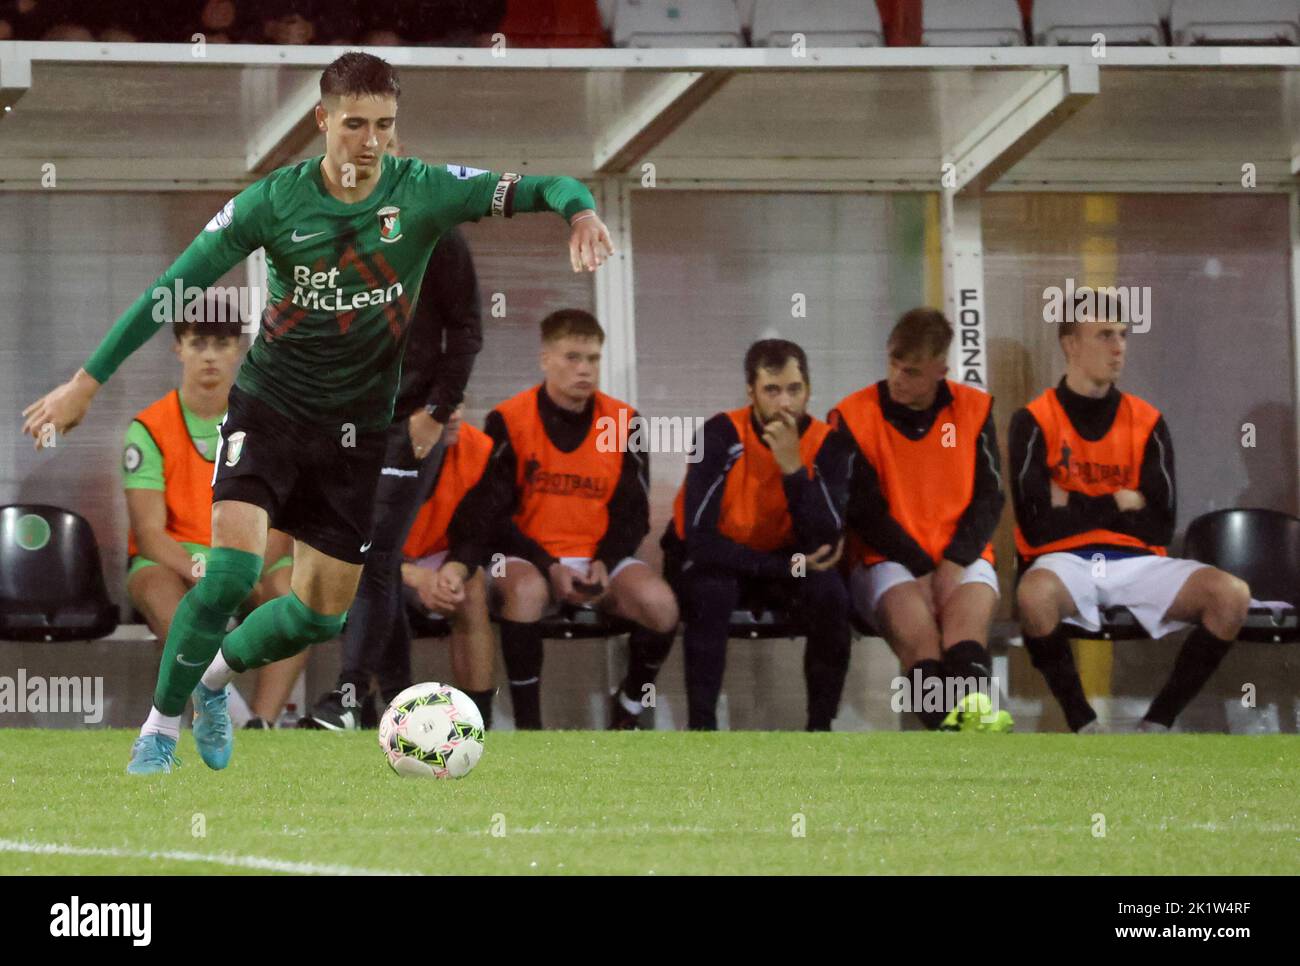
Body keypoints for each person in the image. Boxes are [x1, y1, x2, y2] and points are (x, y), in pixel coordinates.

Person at [22, 51, 614, 774]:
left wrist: (579, 211)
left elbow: (546, 184)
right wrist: (86, 382)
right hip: (268, 411)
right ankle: (158, 730)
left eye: (385, 125)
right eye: (355, 124)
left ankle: (214, 685)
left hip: (357, 434)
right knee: (231, 578)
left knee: (318, 615)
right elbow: (169, 288)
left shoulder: (424, 190)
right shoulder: (273, 201)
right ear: (322, 120)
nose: (370, 142)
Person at [1010, 307, 1251, 732]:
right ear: (1070, 345)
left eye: (1123, 335)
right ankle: (1084, 723)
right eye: (1104, 335)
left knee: (1230, 595)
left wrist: (1072, 502)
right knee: (1033, 596)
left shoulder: (1148, 421)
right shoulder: (1033, 420)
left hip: (1137, 562)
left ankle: (1157, 723)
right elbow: (1036, 526)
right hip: (1062, 563)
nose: (1119, 346)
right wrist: (1118, 502)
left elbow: (1159, 525)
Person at [445, 309, 678, 730]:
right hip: (527, 556)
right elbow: (493, 514)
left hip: (597, 557)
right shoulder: (510, 419)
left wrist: (605, 560)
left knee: (661, 605)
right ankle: (530, 728)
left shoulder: (623, 423)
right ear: (545, 359)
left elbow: (634, 515)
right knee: (528, 592)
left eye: (592, 358)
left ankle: (627, 705)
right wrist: (549, 565)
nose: (584, 369)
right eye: (572, 357)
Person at [305, 223, 482, 730]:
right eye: (355, 135)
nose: (368, 145)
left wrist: (437, 407)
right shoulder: (325, 233)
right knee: (371, 558)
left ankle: (349, 694)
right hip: (348, 424)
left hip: (411, 423)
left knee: (372, 553)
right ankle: (403, 709)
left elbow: (467, 329)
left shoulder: (437, 233)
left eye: (381, 136)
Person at [123, 294, 301, 728]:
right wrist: (206, 574)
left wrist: (248, 569)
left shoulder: (265, 421)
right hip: (174, 558)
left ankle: (265, 723)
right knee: (161, 591)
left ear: (238, 349)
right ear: (178, 348)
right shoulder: (149, 427)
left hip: (249, 553)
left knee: (297, 594)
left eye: (221, 344)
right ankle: (234, 720)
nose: (209, 357)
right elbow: (149, 534)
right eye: (198, 343)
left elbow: (286, 514)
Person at [830, 308, 1011, 732]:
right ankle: (958, 733)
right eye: (893, 364)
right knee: (920, 639)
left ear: (939, 371)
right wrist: (924, 567)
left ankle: (969, 727)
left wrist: (952, 562)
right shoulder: (853, 416)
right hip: (886, 558)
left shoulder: (972, 410)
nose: (897, 378)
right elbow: (863, 511)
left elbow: (989, 498)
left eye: (911, 371)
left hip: (961, 555)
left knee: (963, 631)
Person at [663, 338, 854, 731]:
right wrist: (785, 566)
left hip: (785, 565)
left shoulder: (829, 443)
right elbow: (700, 540)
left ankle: (820, 729)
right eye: (772, 390)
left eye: (794, 389)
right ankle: (701, 732)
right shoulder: (718, 434)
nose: (785, 403)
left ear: (809, 390)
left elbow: (826, 541)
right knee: (711, 592)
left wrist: (793, 470)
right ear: (750, 392)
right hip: (718, 561)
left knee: (831, 594)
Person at [396, 408, 498, 726]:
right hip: (372, 562)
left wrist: (454, 571)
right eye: (437, 404)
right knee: (376, 592)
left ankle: (478, 722)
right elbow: (351, 538)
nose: (453, 414)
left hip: (434, 559)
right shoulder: (370, 443)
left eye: (457, 399)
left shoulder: (477, 447)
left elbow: (477, 532)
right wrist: (412, 577)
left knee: (472, 584)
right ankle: (373, 716)